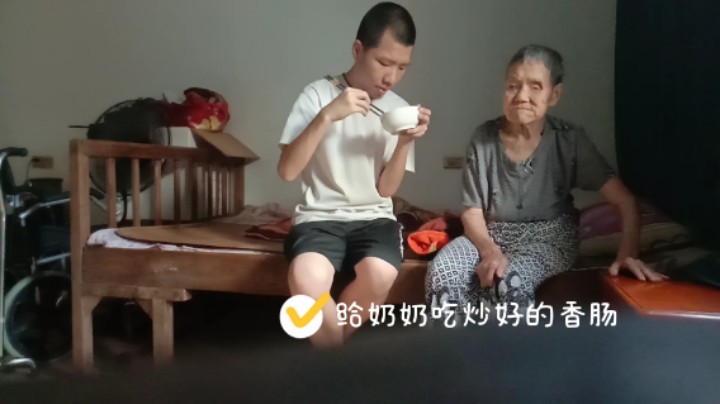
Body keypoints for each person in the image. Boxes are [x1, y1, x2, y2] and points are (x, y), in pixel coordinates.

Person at [426, 44, 665, 311]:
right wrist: (489, 250)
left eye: (535, 87)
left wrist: (627, 255)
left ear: (554, 95)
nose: (521, 96)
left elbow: (625, 201)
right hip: (490, 235)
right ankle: (457, 339)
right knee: (443, 273)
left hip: (549, 237)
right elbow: (472, 213)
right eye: (513, 86)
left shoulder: (569, 140)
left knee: (509, 281)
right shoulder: (483, 138)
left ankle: (507, 340)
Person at [278, 2, 431, 347]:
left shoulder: (398, 109)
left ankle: (330, 357)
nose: (391, 77)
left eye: (402, 67)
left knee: (380, 274)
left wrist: (405, 141)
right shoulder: (317, 94)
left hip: (375, 220)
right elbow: (287, 171)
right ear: (358, 50)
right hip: (320, 218)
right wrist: (327, 116)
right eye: (383, 63)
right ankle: (337, 362)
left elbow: (386, 190)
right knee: (306, 279)